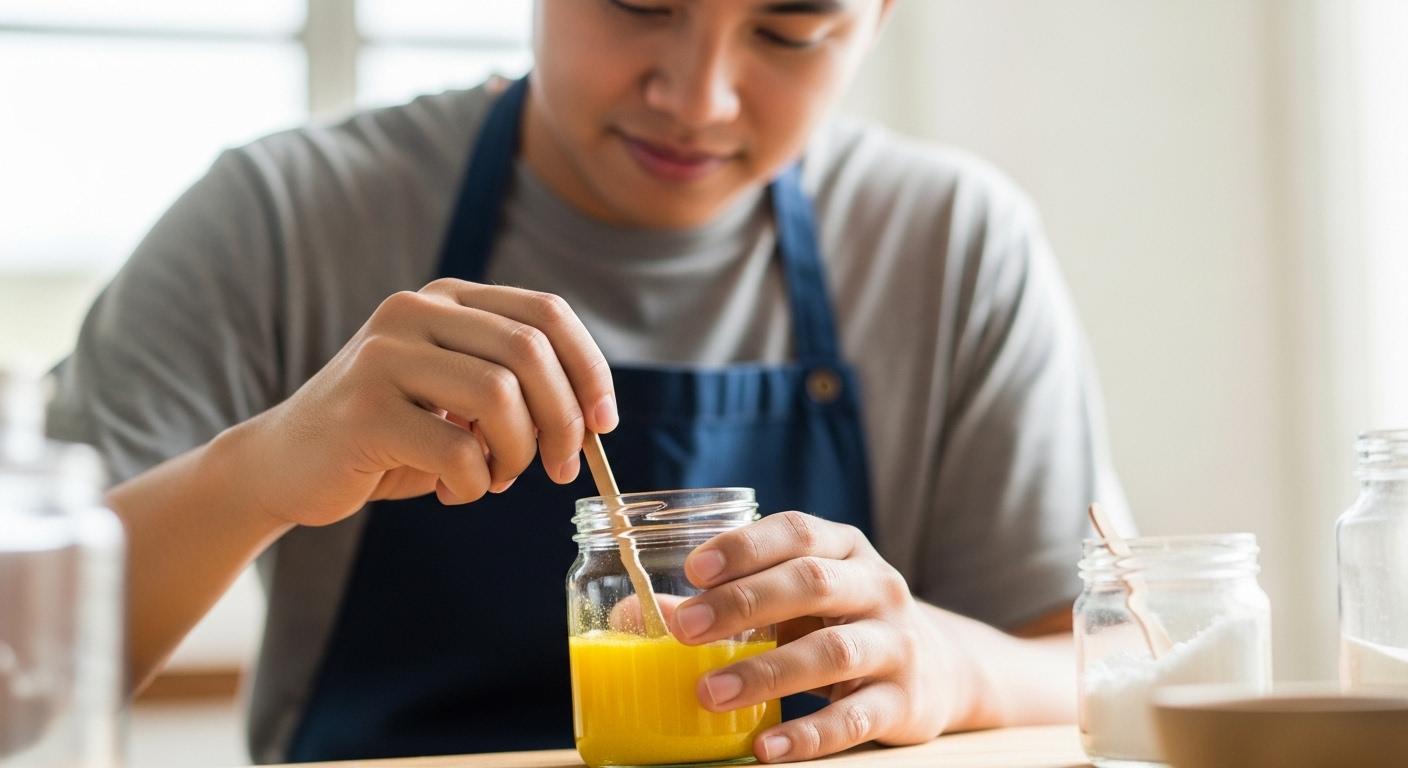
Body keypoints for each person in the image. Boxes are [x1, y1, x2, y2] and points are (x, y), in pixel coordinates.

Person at [47, 0, 1126, 763]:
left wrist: (948, 664)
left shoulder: (949, 245)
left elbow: (1111, 664)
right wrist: (258, 472)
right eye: (638, 2)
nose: (696, 97)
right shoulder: (280, 220)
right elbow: (22, 673)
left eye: (789, 28)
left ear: (878, 16)